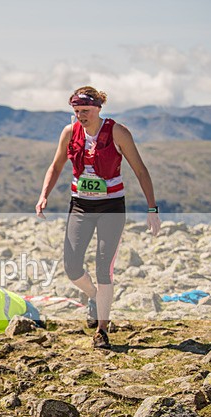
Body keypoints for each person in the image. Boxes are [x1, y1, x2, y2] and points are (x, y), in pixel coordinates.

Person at [36, 86, 161, 349]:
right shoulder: (70, 133)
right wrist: (44, 194)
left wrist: (152, 209)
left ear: (98, 108)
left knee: (104, 268)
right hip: (80, 205)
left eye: (85, 111)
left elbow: (140, 170)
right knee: (71, 266)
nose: (80, 116)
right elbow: (57, 164)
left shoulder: (118, 132)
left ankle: (102, 329)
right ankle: (93, 295)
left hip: (111, 208)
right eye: (76, 111)